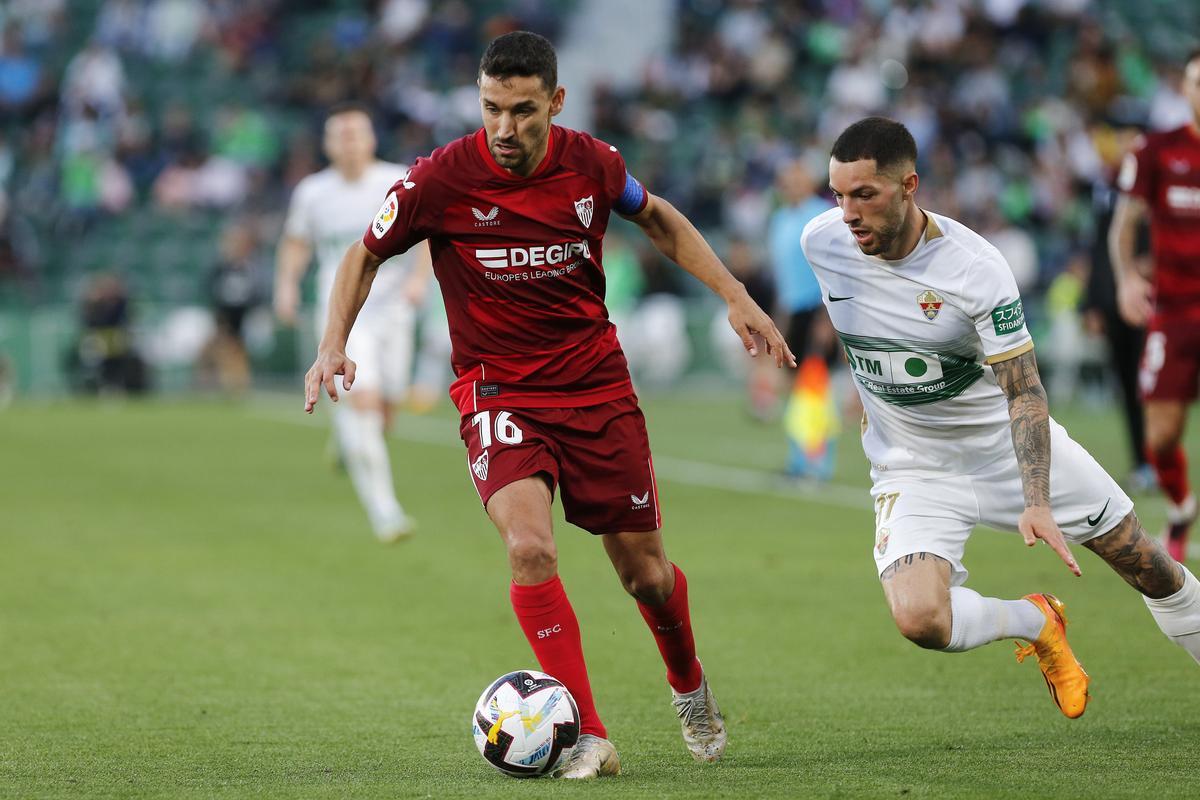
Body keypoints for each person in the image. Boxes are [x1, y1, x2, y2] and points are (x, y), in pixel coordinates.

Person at [303, 32, 794, 778]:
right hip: (499, 391)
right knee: (529, 547)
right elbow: (364, 253)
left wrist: (735, 295)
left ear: (555, 103)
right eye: (492, 108)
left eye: (523, 110)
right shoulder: (440, 178)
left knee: (647, 577)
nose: (505, 127)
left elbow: (657, 216)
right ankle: (587, 734)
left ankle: (688, 683)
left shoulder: (593, 163)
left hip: (596, 388)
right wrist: (333, 340)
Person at [801, 117, 1200, 720]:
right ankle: (1036, 620)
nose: (848, 212)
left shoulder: (974, 268)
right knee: (919, 618)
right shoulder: (822, 242)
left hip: (1005, 451)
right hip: (913, 464)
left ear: (909, 185)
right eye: (838, 194)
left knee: (1148, 566)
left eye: (865, 194)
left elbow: (1025, 391)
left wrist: (1035, 499)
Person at [276, 104, 430, 544]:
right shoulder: (312, 192)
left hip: (394, 309)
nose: (348, 141)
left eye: (355, 133)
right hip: (343, 311)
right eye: (338, 135)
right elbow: (295, 242)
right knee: (360, 399)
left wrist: (419, 281)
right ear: (326, 144)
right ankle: (386, 513)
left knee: (385, 411)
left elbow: (426, 236)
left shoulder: (397, 180)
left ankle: (347, 444)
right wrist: (286, 287)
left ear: (371, 140)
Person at [1109, 50, 1200, 562]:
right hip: (1174, 311)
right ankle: (1182, 507)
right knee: (1161, 437)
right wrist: (1125, 280)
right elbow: (1123, 223)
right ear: (1184, 89)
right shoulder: (1157, 151)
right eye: (1196, 82)